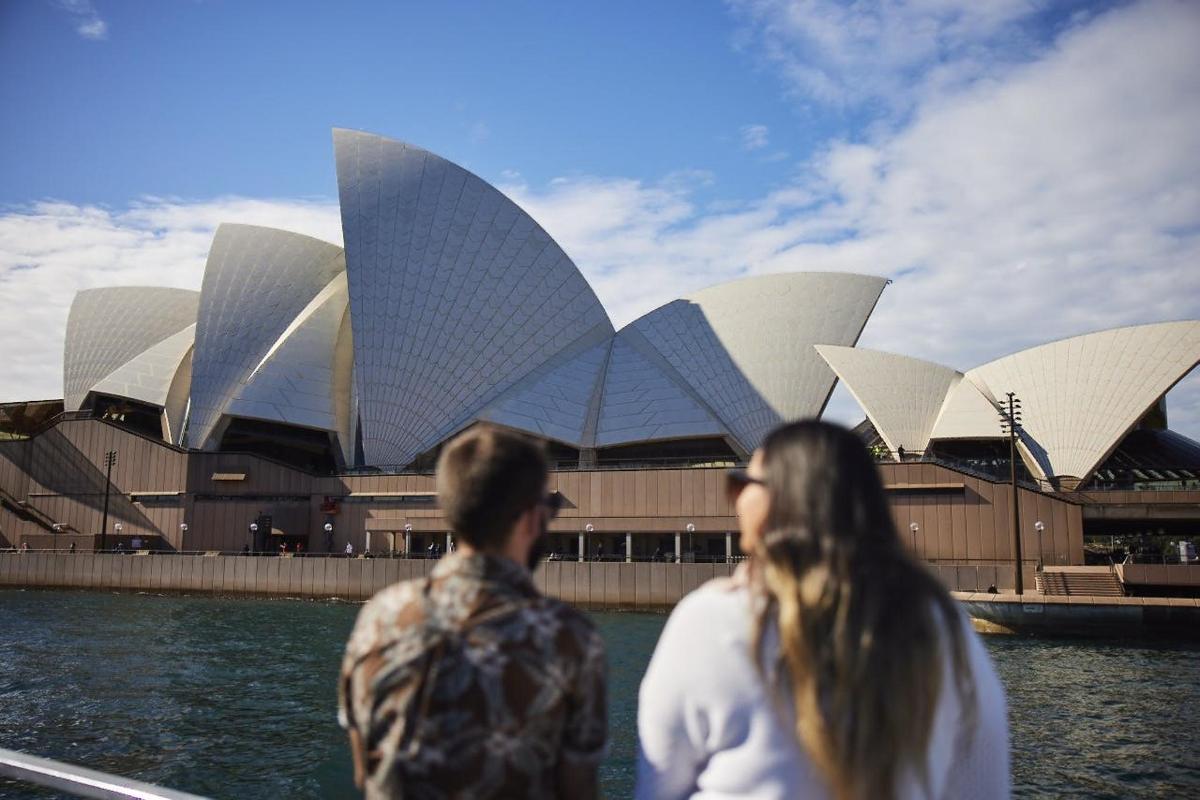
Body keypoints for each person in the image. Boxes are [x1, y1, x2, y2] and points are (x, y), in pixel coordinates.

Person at [636, 420, 1009, 800]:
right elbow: (985, 787)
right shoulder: (942, 624)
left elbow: (657, 788)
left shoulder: (712, 620)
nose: (735, 499)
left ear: (779, 500)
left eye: (742, 484)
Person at [339, 424, 607, 799]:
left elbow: (363, 769)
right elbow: (579, 789)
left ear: (450, 510)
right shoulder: (568, 636)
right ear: (532, 518)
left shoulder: (379, 617)